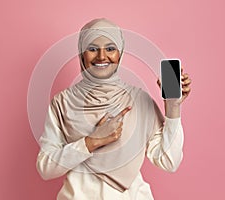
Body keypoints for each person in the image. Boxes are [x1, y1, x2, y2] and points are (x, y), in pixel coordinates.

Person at [36, 18, 191, 199]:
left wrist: (172, 108)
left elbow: (168, 162)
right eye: (92, 49)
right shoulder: (62, 102)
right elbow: (45, 168)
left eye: (110, 48)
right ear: (81, 54)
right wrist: (91, 141)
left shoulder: (139, 100)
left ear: (120, 53)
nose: (102, 57)